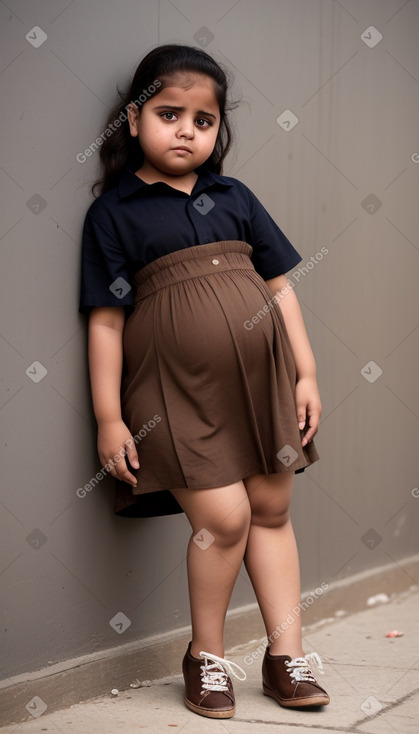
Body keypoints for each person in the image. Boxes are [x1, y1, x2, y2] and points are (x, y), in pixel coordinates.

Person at [79, 43, 330, 720]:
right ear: (132, 121)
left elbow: (279, 288)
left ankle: (285, 657)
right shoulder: (116, 212)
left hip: (264, 383)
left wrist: (305, 373)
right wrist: (108, 416)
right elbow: (105, 322)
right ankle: (206, 659)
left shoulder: (234, 197)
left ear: (219, 131)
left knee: (272, 512)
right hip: (175, 396)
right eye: (169, 113)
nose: (187, 129)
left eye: (204, 119)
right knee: (223, 520)